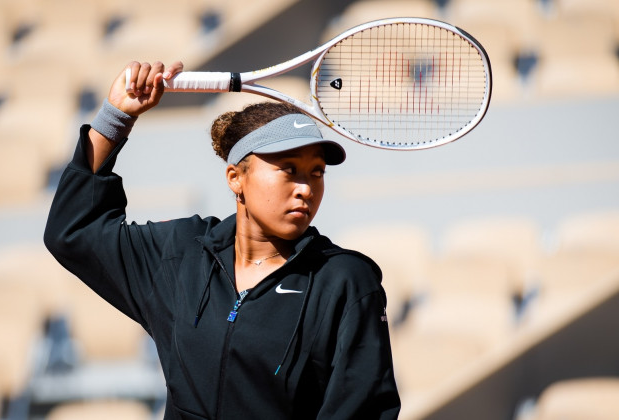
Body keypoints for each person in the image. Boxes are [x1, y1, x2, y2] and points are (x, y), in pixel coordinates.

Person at [44, 60, 401, 419]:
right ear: (235, 177)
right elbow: (73, 231)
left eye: (316, 173)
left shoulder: (346, 281)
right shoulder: (180, 252)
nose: (305, 189)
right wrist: (115, 117)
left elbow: (363, 411)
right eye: (289, 170)